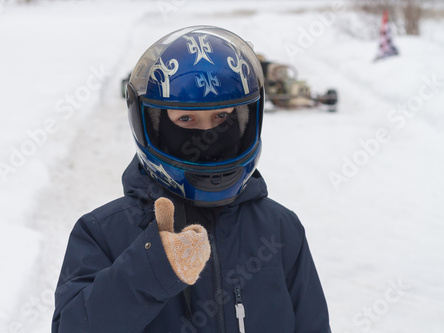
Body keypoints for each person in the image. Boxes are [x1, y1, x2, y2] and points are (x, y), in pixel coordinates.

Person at [52, 25, 331, 333]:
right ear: (155, 126)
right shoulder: (103, 232)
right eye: (186, 119)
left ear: (244, 121)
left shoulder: (280, 228)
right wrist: (151, 267)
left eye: (222, 118)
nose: (208, 134)